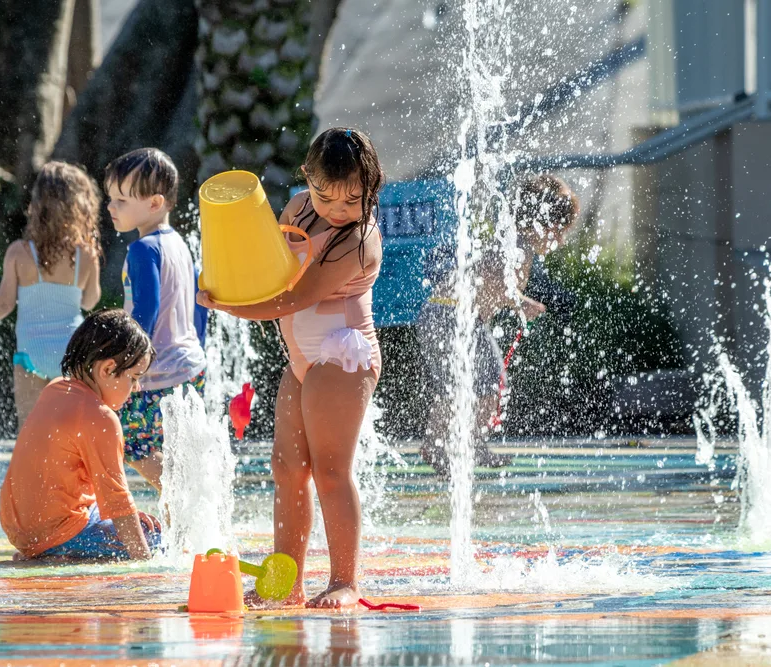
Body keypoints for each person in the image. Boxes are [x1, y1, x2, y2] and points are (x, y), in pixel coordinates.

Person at [198, 127, 384, 609]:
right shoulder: (299, 207)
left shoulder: (359, 239)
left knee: (329, 470)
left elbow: (295, 296)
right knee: (287, 467)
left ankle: (345, 581)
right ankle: (288, 583)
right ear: (308, 178)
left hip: (341, 354)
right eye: (327, 197)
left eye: (352, 200)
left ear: (372, 187)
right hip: (302, 358)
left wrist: (231, 307)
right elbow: (267, 269)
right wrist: (222, 282)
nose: (337, 211)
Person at [418, 174, 579, 476]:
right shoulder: (518, 248)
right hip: (455, 316)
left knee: (457, 387)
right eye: (560, 231)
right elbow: (495, 278)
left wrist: (517, 300)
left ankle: (437, 445)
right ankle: (468, 444)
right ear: (541, 223)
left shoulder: (511, 241)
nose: (561, 240)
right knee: (489, 383)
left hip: (441, 313)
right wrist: (521, 303)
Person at [0, 309, 162, 561]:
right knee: (158, 541)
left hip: (22, 530)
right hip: (58, 534)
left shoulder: (55, 389)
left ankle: (42, 551)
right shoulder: (100, 417)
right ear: (107, 370)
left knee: (138, 525)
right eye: (133, 378)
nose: (137, 387)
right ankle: (56, 555)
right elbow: (119, 502)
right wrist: (145, 564)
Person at [0, 161, 102, 428]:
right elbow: (90, 301)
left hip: (31, 353)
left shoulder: (19, 252)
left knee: (31, 435)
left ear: (38, 206)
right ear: (80, 206)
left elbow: (4, 303)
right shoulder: (86, 255)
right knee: (71, 434)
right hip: (72, 353)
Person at [104, 148, 207, 492]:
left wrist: (128, 365)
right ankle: (188, 513)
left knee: (133, 447)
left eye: (121, 199)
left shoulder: (143, 249)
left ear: (154, 203)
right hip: (190, 367)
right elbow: (199, 306)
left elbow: (146, 309)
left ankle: (184, 501)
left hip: (154, 373)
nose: (111, 207)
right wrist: (198, 350)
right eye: (110, 198)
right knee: (175, 452)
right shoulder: (180, 245)